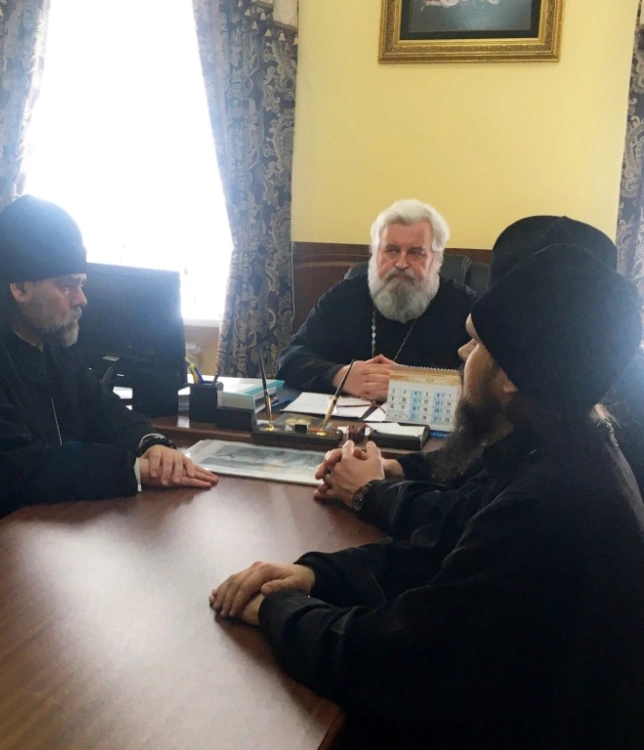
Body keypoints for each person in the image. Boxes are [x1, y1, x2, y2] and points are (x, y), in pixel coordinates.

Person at [210, 243, 644, 748]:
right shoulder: (557, 448)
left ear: (509, 377)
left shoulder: (549, 507)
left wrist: (275, 610)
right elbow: (444, 543)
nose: (462, 356)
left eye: (475, 344)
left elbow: (392, 662)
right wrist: (316, 575)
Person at [0, 195, 217, 533]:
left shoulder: (52, 348)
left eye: (81, 285)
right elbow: (21, 469)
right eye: (67, 286)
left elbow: (103, 411)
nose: (81, 299)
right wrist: (132, 469)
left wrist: (150, 443)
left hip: (32, 531)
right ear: (20, 288)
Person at [317, 215, 644, 540]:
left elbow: (466, 522)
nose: (465, 352)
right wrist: (397, 469)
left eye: (479, 342)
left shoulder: (566, 467)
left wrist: (368, 491)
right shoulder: (561, 402)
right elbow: (479, 480)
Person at [276, 199, 476, 400]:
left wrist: (413, 382)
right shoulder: (344, 296)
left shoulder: (465, 307)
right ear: (375, 253)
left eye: (415, 253)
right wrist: (340, 376)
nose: (401, 263)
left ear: (436, 258)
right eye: (392, 250)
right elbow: (290, 358)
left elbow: (484, 382)